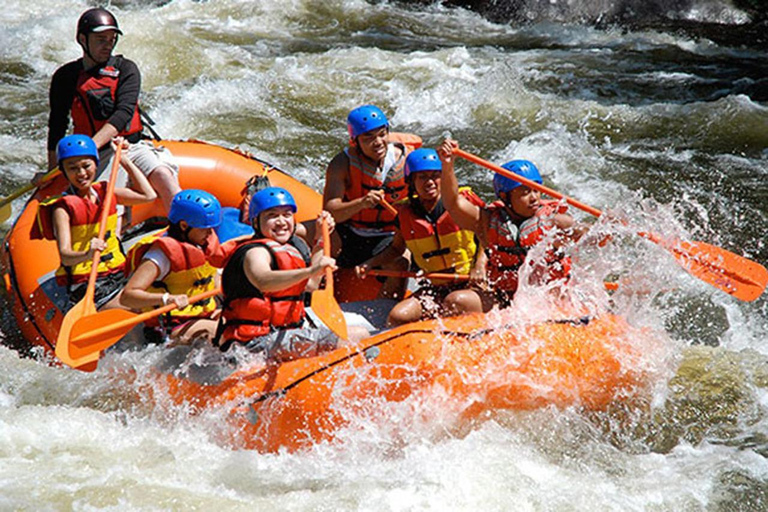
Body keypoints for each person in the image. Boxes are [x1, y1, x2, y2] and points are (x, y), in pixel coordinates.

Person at [38, 7, 180, 210]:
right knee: (107, 205)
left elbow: (123, 113)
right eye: (101, 40)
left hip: (131, 146)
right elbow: (57, 124)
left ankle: (183, 234)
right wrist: (52, 170)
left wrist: (89, 146)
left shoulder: (126, 68)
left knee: (164, 177)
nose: (108, 45)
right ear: (82, 40)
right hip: (95, 157)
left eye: (112, 39)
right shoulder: (65, 76)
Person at [213, 187, 367, 360]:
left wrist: (320, 241)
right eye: (272, 216)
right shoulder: (255, 252)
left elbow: (311, 284)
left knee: (354, 333)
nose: (281, 222)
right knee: (358, 336)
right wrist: (310, 270)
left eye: (286, 215)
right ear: (256, 222)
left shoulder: (291, 249)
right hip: (254, 344)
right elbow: (263, 280)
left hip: (280, 335)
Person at [438, 139, 586, 307]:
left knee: (559, 296)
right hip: (506, 299)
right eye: (525, 192)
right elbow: (453, 203)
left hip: (550, 299)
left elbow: (594, 236)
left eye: (536, 190)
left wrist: (609, 226)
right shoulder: (487, 222)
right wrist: (447, 164)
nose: (534, 198)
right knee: (455, 301)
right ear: (504, 197)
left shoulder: (555, 221)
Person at [356, 148, 492, 326]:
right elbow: (397, 249)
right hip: (436, 288)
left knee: (455, 301)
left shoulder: (463, 202)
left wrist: (480, 265)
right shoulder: (404, 214)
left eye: (435, 176)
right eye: (422, 177)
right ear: (411, 182)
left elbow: (488, 234)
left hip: (473, 285)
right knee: (399, 316)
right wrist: (370, 263)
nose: (430, 182)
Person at [32, 134, 156, 311]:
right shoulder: (63, 208)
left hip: (118, 272)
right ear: (64, 172)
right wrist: (87, 253)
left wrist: (124, 161)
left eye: (86, 166)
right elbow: (66, 256)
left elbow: (148, 195)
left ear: (96, 164)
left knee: (153, 298)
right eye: (73, 168)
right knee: (135, 310)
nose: (81, 173)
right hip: (88, 282)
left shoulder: (105, 192)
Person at [322, 104, 422, 298]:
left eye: (382, 134)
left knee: (401, 262)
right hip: (348, 230)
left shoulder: (408, 161)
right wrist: (361, 203)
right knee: (305, 233)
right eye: (368, 138)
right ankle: (309, 299)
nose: (377, 142)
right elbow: (329, 211)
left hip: (389, 235)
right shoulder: (342, 163)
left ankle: (387, 312)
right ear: (355, 141)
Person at [121, 190, 222, 345]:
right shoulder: (160, 255)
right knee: (219, 332)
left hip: (203, 315)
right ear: (184, 225)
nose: (210, 233)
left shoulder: (202, 244)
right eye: (205, 228)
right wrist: (165, 299)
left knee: (243, 322)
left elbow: (213, 279)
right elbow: (127, 296)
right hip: (169, 327)